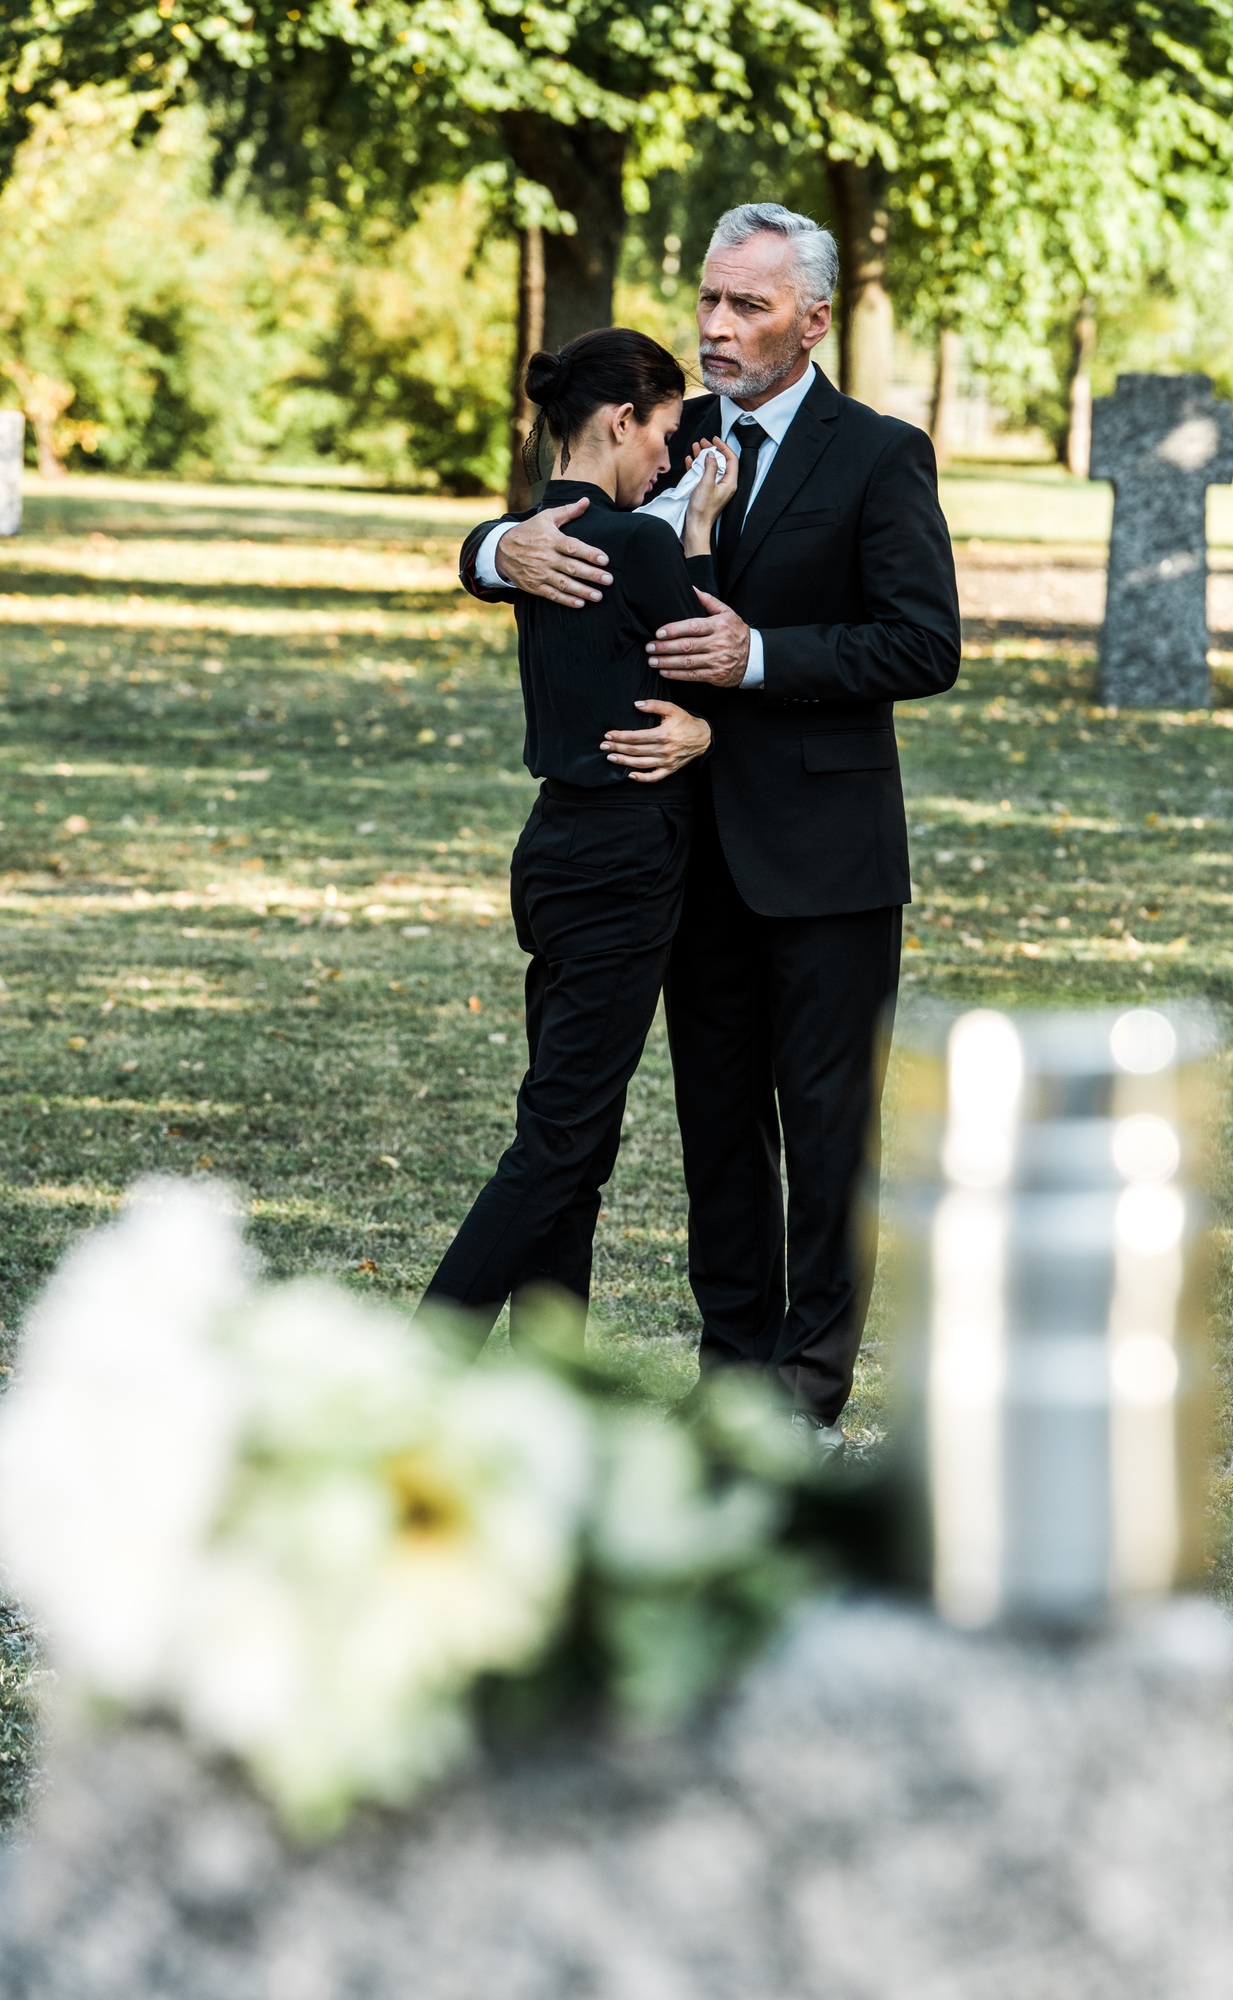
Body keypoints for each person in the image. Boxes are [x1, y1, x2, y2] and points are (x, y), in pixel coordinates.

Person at [459, 204, 961, 1446]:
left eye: (745, 305)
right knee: (716, 1127)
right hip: (675, 855)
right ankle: (731, 1380)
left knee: (827, 1129)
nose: (716, 325)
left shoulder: (879, 453)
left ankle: (806, 1391)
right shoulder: (657, 444)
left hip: (825, 856)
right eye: (708, 299)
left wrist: (753, 659)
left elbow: (921, 641)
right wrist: (492, 548)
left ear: (813, 319)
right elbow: (551, 536)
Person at [419, 327, 738, 1332]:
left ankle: (539, 1387)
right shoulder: (638, 540)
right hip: (622, 858)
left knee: (570, 1142)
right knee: (559, 1143)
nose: (669, 459)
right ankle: (416, 1368)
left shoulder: (534, 540)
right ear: (619, 419)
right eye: (662, 434)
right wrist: (696, 535)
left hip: (555, 849)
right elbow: (705, 647)